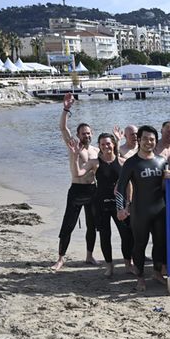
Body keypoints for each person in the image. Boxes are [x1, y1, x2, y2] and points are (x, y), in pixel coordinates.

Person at [67, 133, 134, 277]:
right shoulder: (94, 162)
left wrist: (128, 204)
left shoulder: (123, 162)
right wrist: (75, 155)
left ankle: (128, 264)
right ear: (99, 146)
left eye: (108, 143)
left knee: (126, 235)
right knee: (105, 236)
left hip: (119, 204)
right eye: (102, 144)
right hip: (101, 204)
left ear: (113, 144)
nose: (106, 146)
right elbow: (77, 173)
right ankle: (109, 266)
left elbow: (129, 185)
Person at [116, 125, 170, 291]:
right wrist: (120, 208)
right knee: (139, 244)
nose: (149, 142)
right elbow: (121, 187)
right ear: (139, 140)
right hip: (139, 211)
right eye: (146, 139)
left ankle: (156, 272)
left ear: (156, 141)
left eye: (152, 139)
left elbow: (167, 188)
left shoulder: (162, 161)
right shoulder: (131, 163)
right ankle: (140, 277)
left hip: (159, 210)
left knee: (160, 243)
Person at [52, 93, 98, 271]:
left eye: (88, 133)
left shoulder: (96, 151)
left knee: (92, 225)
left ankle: (89, 255)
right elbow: (63, 128)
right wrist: (66, 109)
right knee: (68, 224)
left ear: (91, 133)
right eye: (83, 133)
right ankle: (61, 258)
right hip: (77, 189)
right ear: (78, 135)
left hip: (92, 190)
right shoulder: (74, 146)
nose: (86, 135)